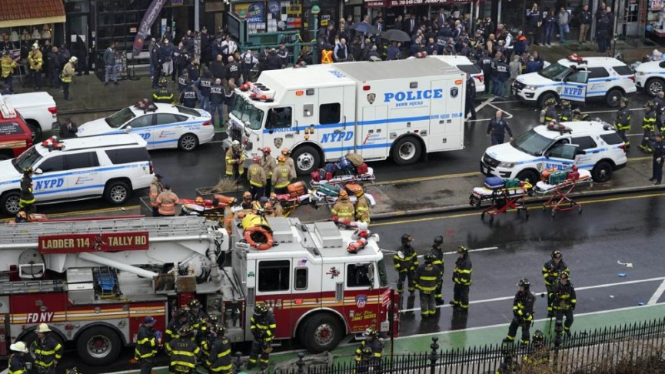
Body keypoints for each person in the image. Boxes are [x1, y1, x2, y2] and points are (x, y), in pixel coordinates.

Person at [503, 278, 535, 346]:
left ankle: (525, 342)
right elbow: (515, 303)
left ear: (525, 287)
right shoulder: (518, 294)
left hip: (526, 317)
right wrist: (515, 311)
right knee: (512, 326)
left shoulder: (530, 297)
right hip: (518, 316)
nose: (520, 288)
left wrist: (519, 313)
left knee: (525, 330)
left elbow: (527, 308)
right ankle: (510, 338)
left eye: (521, 286)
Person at [248, 303, 276, 371]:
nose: (256, 313)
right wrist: (254, 331)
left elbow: (272, 330)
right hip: (257, 336)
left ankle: (264, 365)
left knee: (265, 353)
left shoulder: (270, 318)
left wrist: (264, 334)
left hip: (267, 339)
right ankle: (252, 363)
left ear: (263, 313)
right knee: (254, 351)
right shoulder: (256, 315)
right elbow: (252, 323)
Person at [542, 250, 569, 317]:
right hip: (549, 284)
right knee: (551, 296)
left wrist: (564, 280)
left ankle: (563, 308)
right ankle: (550, 311)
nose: (557, 260)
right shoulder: (548, 264)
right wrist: (549, 279)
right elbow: (544, 272)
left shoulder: (563, 265)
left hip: (559, 284)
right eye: (556, 258)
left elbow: (567, 273)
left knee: (561, 295)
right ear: (553, 258)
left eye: (559, 258)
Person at [552, 270, 576, 338]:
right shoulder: (556, 286)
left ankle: (566, 328)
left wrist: (573, 303)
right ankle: (559, 333)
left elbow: (573, 295)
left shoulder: (570, 286)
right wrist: (555, 295)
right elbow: (553, 296)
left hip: (567, 307)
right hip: (559, 307)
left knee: (570, 319)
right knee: (559, 321)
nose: (563, 280)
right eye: (562, 279)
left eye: (564, 279)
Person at [415, 253, 441, 318]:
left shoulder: (420, 267)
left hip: (422, 288)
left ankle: (425, 314)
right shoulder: (436, 268)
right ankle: (432, 313)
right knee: (432, 301)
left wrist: (416, 285)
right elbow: (439, 278)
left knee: (424, 301)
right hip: (432, 288)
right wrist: (438, 285)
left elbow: (416, 277)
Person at [452, 245, 472, 311]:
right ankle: (456, 302)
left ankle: (464, 307)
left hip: (464, 283)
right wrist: (454, 276)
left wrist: (462, 281)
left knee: (463, 295)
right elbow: (457, 268)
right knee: (456, 292)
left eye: (461, 253)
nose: (459, 254)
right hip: (458, 281)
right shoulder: (460, 259)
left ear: (464, 253)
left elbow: (466, 274)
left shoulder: (467, 262)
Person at [427, 236, 445, 305]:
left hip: (437, 273)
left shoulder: (436, 251)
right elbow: (437, 265)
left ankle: (438, 298)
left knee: (438, 287)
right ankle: (435, 299)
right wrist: (439, 274)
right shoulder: (436, 253)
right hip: (436, 274)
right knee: (437, 286)